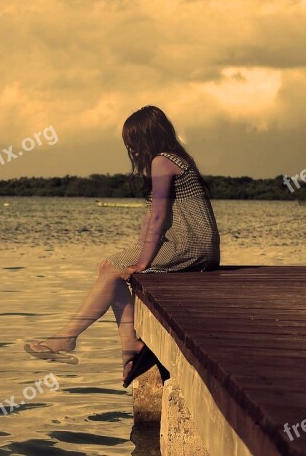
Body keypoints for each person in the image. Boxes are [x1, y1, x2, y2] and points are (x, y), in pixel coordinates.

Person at [25, 105, 220, 387]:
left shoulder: (162, 161)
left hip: (189, 247)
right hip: (191, 244)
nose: (133, 150)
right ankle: (129, 345)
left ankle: (68, 337)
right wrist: (139, 251)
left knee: (112, 269)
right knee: (109, 268)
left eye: (134, 143)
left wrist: (142, 263)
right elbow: (152, 218)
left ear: (147, 138)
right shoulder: (172, 159)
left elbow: (158, 217)